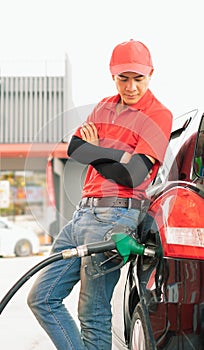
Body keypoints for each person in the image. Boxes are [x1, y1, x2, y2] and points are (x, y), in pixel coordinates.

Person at [27, 39, 173, 349]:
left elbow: (132, 175)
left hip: (115, 215)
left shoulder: (158, 114)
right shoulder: (103, 107)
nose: (131, 86)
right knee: (42, 298)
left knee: (91, 314)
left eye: (138, 78)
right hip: (81, 215)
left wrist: (95, 150)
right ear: (112, 75)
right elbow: (74, 149)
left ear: (151, 74)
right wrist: (116, 155)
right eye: (123, 78)